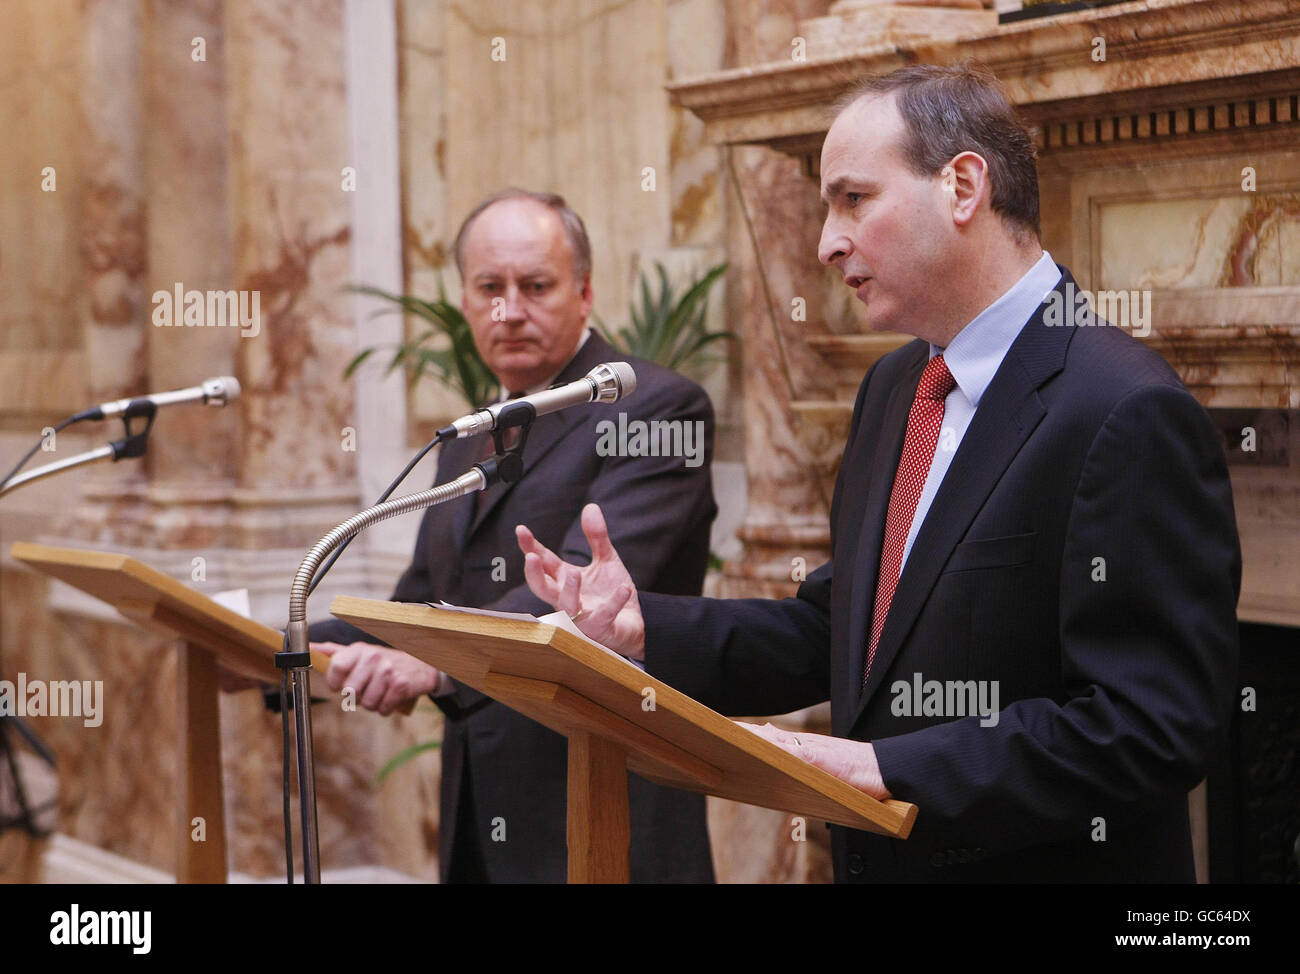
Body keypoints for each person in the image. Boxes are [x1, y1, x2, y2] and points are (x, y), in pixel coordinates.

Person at [514, 66, 1241, 883]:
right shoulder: (896, 387)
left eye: (853, 199)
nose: (825, 242)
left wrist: (883, 769)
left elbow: (1152, 726)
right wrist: (643, 629)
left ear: (963, 185)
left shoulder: (1124, 407)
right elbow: (843, 635)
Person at [311, 189, 718, 883]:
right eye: (489, 288)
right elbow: (421, 605)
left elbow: (580, 598)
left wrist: (439, 666)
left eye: (535, 287)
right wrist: (276, 653)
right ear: (465, 301)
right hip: (479, 808)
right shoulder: (469, 437)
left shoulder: (656, 407)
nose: (510, 310)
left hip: (605, 804)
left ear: (585, 292)